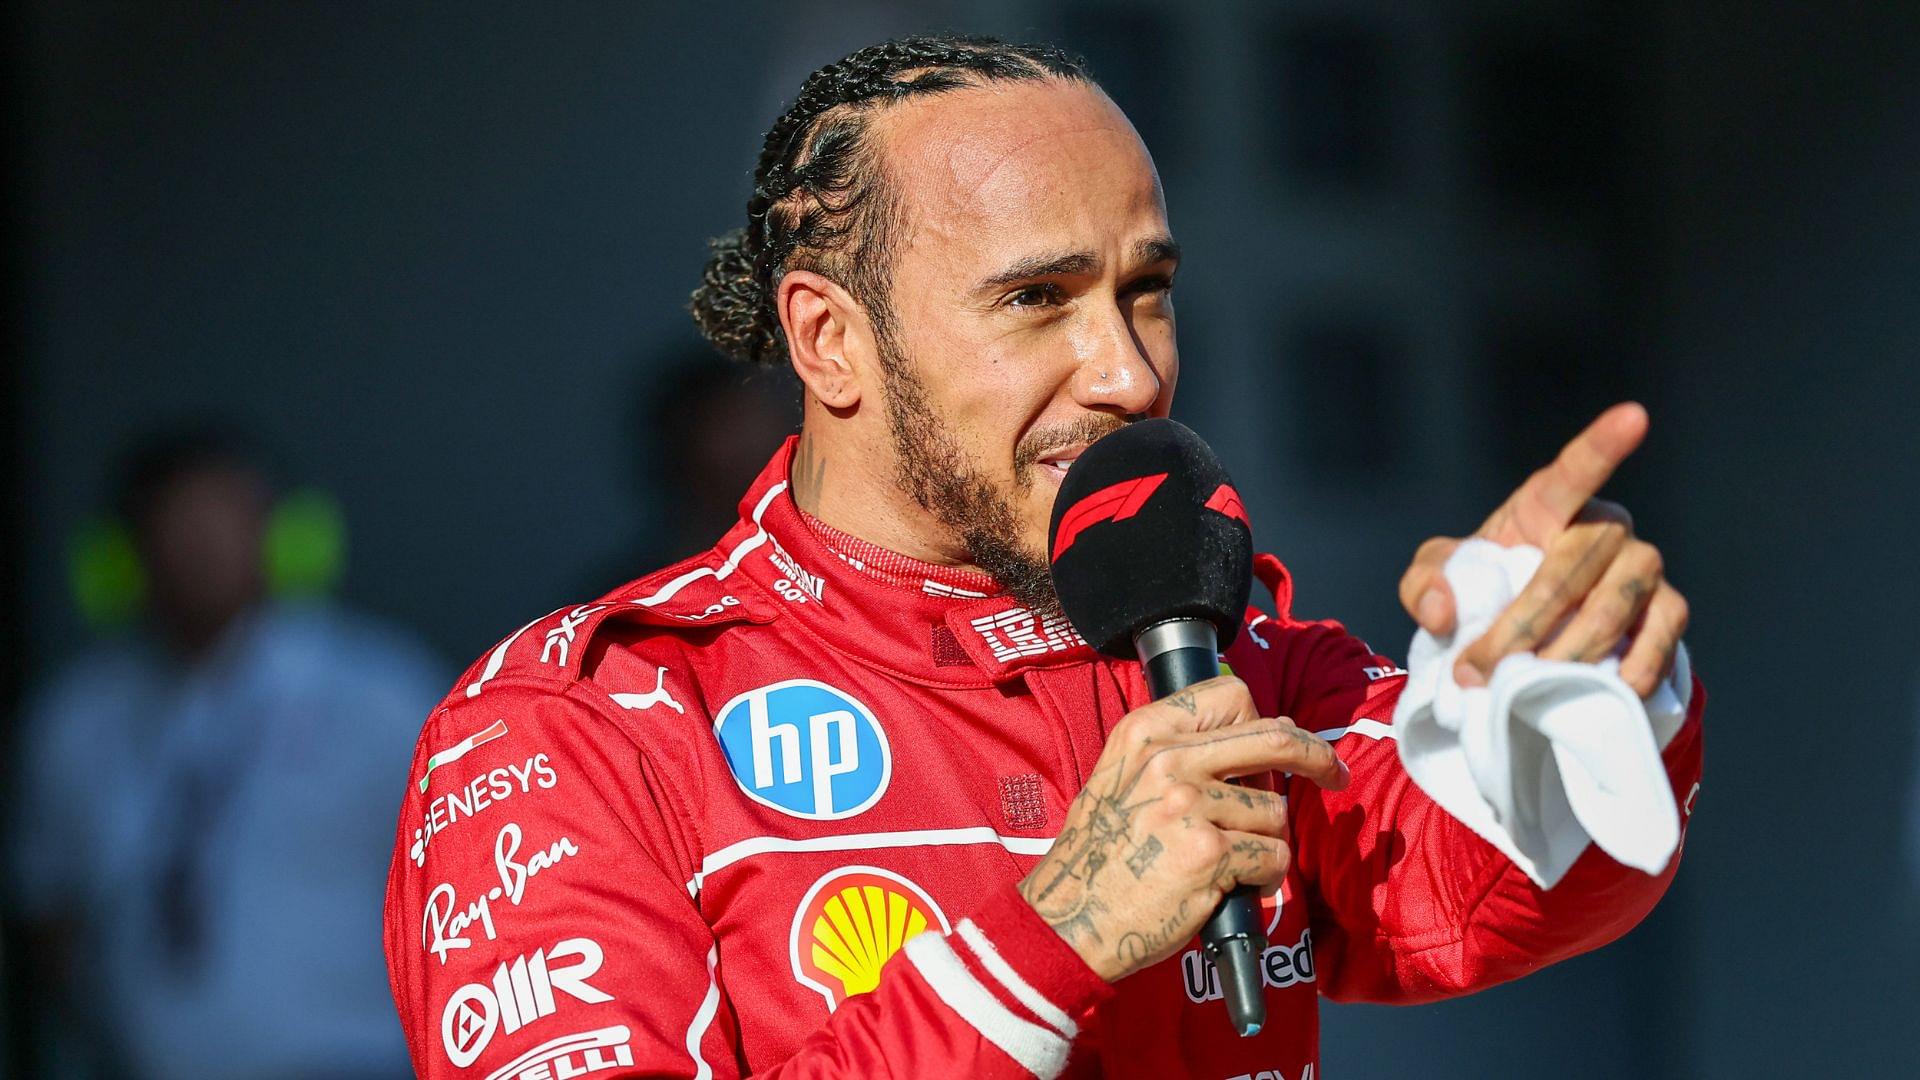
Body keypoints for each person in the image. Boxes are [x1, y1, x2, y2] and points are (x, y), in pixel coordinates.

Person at [384, 36, 1701, 1079]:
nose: (1132, 373)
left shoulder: (1216, 647)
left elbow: (1483, 899)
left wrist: (1572, 689)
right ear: (829, 339)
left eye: (1146, 291)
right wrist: (1057, 929)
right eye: (1037, 301)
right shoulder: (580, 727)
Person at [9, 426, 442, 1079]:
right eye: (174, 523)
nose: (199, 546)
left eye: (224, 516)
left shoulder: (383, 695)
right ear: (125, 553)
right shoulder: (75, 718)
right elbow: (49, 906)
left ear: (284, 538)